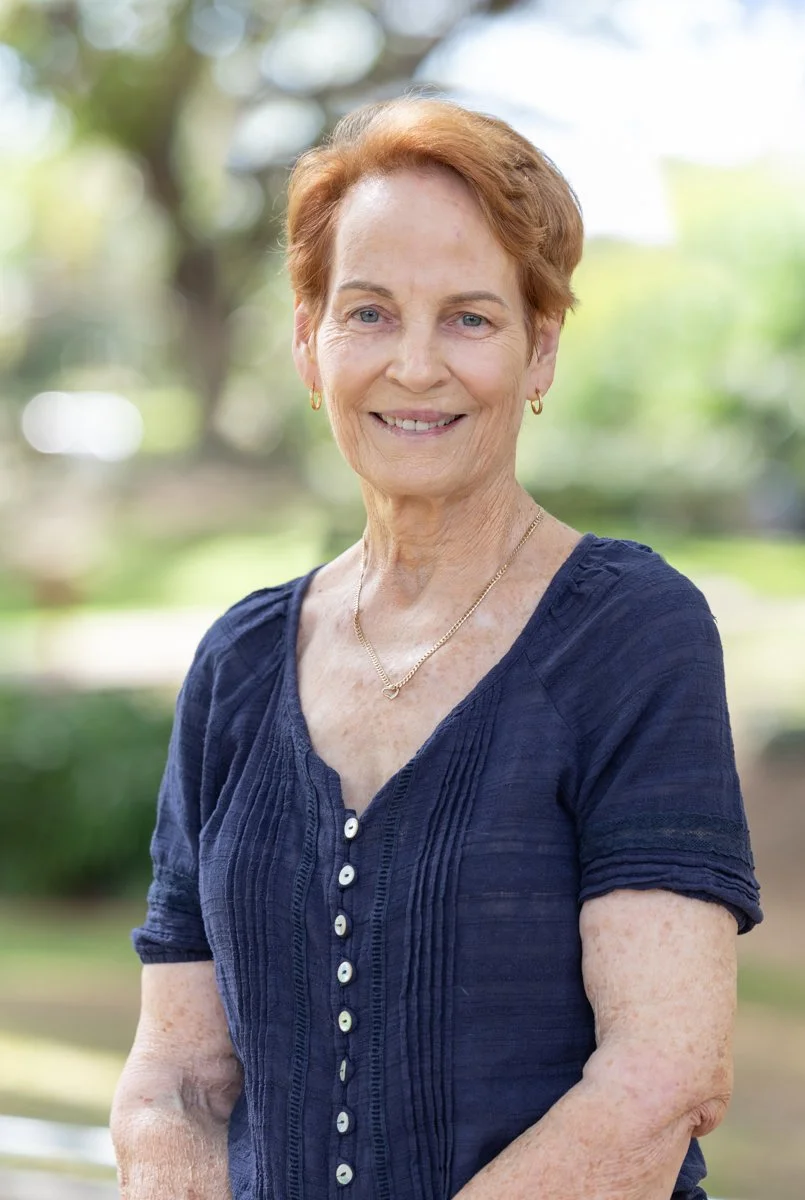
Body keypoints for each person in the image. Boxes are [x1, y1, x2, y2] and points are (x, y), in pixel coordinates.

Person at [110, 96, 762, 1200]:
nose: (414, 366)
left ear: (539, 350)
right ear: (309, 344)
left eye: (468, 318)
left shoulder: (631, 632)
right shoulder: (237, 665)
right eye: (368, 313)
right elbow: (175, 1077)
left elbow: (661, 1077)